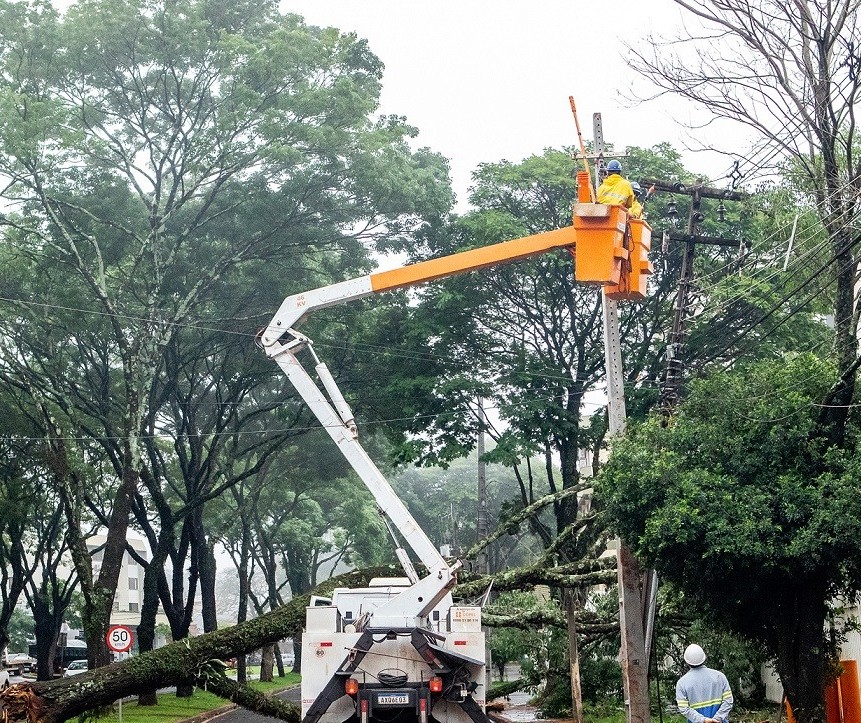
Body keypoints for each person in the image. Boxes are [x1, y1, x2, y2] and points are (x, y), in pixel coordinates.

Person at [676, 643, 734, 723]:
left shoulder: (682, 683)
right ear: (704, 658)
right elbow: (728, 701)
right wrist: (717, 719)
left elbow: (684, 708)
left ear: (687, 661)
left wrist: (703, 720)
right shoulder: (720, 676)